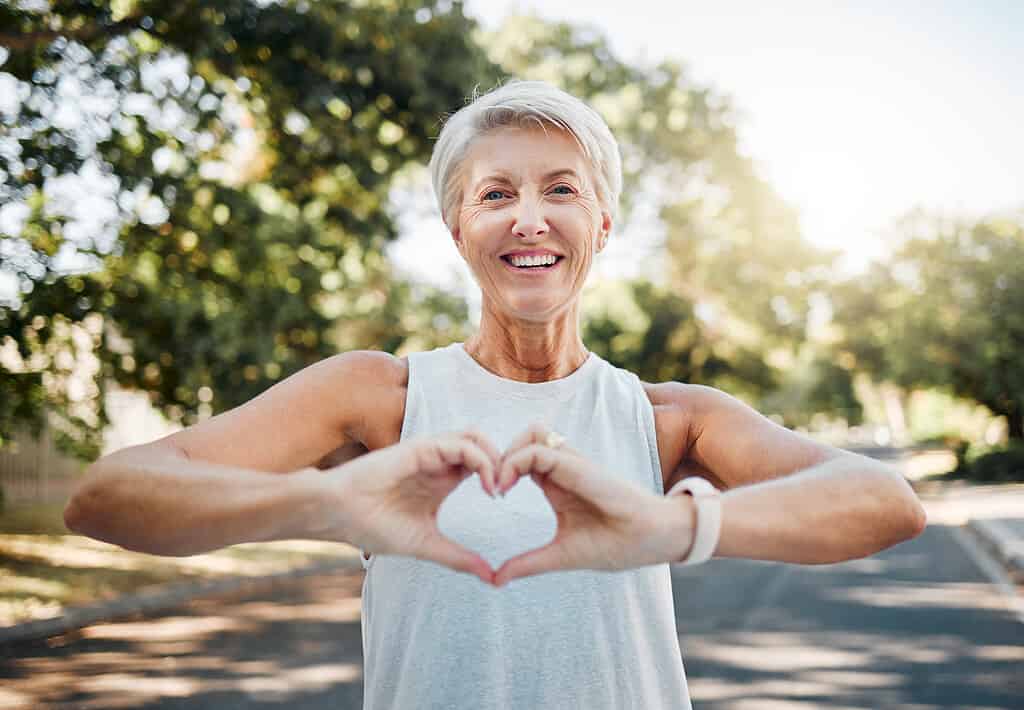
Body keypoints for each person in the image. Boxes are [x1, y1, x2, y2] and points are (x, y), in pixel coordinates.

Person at [64, 79, 928, 709]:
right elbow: (105, 498)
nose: (529, 218)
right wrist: (326, 503)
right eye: (496, 195)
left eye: (561, 190)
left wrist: (673, 524)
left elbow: (884, 502)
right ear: (457, 230)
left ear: (601, 225)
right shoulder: (378, 397)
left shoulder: (668, 420)